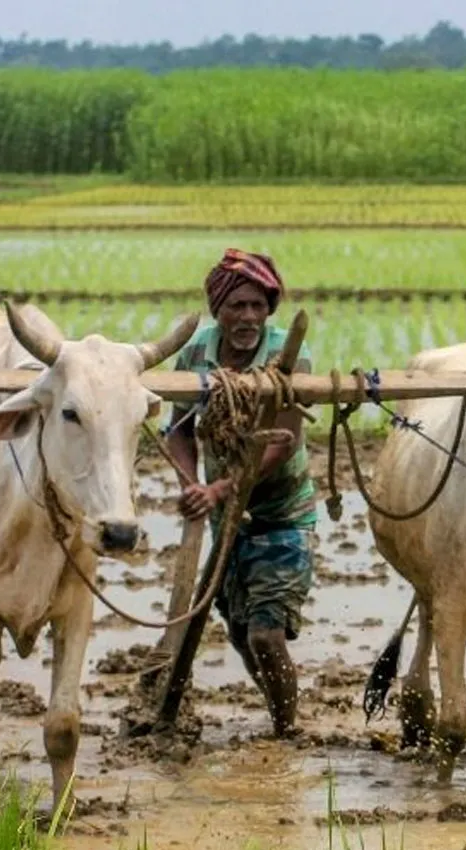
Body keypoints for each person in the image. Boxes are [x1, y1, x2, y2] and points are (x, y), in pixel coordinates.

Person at [165, 249, 316, 738]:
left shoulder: (287, 356)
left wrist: (220, 487)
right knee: (239, 632)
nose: (248, 317)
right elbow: (179, 431)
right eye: (237, 307)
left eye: (257, 306)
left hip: (282, 514)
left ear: (268, 309)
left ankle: (287, 731)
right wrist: (194, 485)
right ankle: (280, 714)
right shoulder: (195, 355)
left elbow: (283, 440)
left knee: (266, 634)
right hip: (223, 515)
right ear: (218, 311)